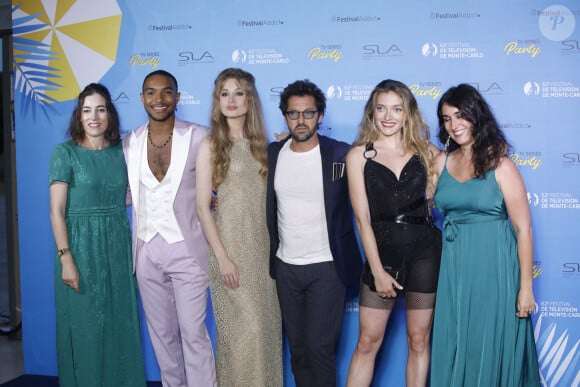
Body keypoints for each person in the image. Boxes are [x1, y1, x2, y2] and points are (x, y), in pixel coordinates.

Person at [430, 83, 540, 386]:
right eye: (446, 118)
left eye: (461, 115)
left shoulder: (501, 165)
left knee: (489, 339)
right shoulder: (440, 162)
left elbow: (523, 229)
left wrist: (526, 288)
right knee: (455, 338)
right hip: (454, 266)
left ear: (476, 116)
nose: (454, 125)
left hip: (494, 266)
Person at [345, 80, 442, 387]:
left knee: (418, 341)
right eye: (382, 108)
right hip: (382, 257)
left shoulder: (429, 153)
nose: (389, 116)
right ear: (372, 112)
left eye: (397, 109)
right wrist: (376, 271)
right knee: (367, 342)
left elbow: (449, 186)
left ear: (407, 113)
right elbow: (362, 219)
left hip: (425, 255)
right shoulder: (359, 155)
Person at [123, 70, 217, 387]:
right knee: (162, 335)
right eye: (151, 92)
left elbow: (223, 185)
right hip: (146, 249)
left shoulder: (201, 136)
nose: (158, 99)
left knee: (193, 332)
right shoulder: (130, 142)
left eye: (166, 92)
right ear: (142, 98)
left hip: (188, 248)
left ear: (177, 97)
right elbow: (123, 193)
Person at [266, 79, 362, 387]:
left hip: (326, 267)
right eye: (293, 114)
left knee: (320, 350)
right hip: (286, 268)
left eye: (308, 113)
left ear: (320, 116)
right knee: (299, 351)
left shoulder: (339, 156)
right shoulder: (273, 153)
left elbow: (367, 171)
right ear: (285, 117)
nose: (301, 120)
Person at [49, 83, 146, 387]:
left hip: (117, 246)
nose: (94, 117)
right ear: (79, 115)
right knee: (86, 328)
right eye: (87, 110)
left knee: (120, 324)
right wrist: (66, 258)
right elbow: (56, 211)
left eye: (101, 109)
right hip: (79, 248)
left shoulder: (123, 151)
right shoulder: (64, 153)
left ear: (110, 114)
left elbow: (136, 192)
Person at [196, 68, 282, 386]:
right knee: (241, 336)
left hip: (264, 253)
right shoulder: (210, 146)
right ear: (217, 101)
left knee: (266, 333)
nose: (231, 100)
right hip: (229, 251)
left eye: (238, 93)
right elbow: (203, 208)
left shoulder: (266, 148)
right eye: (224, 93)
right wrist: (223, 258)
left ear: (250, 99)